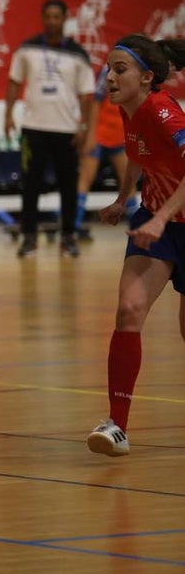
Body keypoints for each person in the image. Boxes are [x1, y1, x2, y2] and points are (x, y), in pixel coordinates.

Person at [87, 35, 185, 458]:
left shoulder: (163, 111)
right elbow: (137, 153)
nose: (109, 77)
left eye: (119, 69)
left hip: (171, 220)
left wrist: (163, 219)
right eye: (108, 69)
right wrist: (123, 199)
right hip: (156, 220)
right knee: (129, 310)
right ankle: (118, 427)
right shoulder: (129, 110)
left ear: (147, 77)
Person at [4, 0, 95, 259]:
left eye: (57, 16)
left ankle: (68, 237)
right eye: (48, 16)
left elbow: (87, 95)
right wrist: (8, 115)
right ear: (42, 18)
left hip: (67, 130)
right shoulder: (27, 49)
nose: (52, 21)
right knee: (30, 185)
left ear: (65, 18)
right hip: (33, 127)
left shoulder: (78, 54)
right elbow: (14, 82)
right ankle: (29, 238)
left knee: (69, 185)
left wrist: (84, 126)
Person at [75, 66, 139, 239]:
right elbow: (95, 102)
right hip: (98, 134)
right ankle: (74, 226)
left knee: (129, 181)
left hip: (119, 135)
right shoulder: (107, 71)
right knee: (85, 179)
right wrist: (90, 135)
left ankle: (136, 226)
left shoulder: (139, 72)